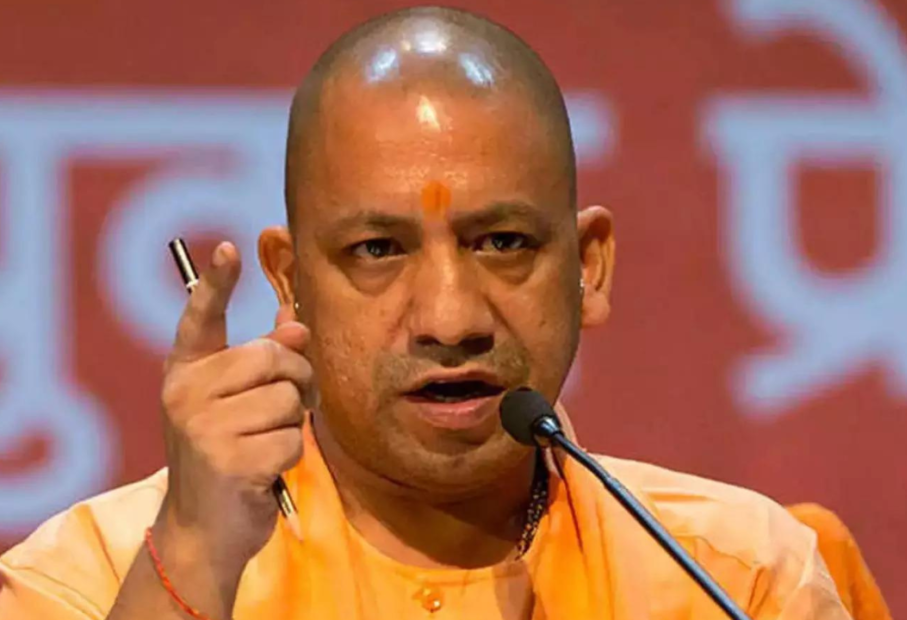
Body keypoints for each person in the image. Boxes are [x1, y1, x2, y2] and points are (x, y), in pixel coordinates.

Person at [0, 7, 857, 619]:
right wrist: (192, 559)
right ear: (290, 284)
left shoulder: (737, 577)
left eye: (503, 242)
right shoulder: (90, 578)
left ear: (587, 266)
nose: (450, 319)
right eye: (378, 249)